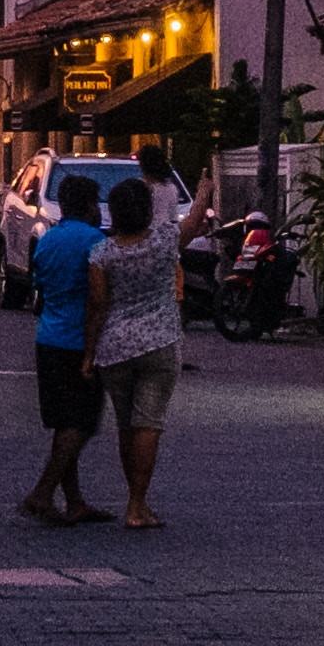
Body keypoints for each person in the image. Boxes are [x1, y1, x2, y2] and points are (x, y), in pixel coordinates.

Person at [81, 176, 186, 530]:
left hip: (115, 346)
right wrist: (203, 194)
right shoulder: (164, 242)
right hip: (159, 340)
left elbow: (97, 306)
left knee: (127, 424)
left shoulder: (102, 253)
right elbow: (196, 221)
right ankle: (138, 503)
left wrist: (88, 354)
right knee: (149, 423)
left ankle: (133, 496)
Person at [19, 171, 115, 525]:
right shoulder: (96, 242)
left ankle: (74, 501)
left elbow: (39, 285)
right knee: (82, 423)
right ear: (91, 205)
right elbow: (98, 299)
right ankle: (42, 493)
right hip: (80, 340)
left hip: (49, 337)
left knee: (64, 422)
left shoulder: (47, 240)